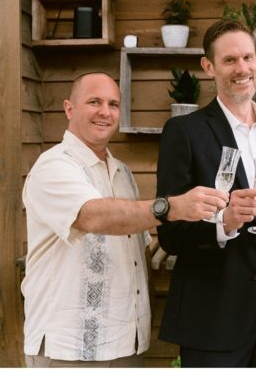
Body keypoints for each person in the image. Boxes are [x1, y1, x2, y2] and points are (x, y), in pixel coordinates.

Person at [21, 72, 228, 367]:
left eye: (113, 104)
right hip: (69, 347)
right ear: (69, 108)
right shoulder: (54, 165)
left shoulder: (122, 172)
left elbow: (139, 250)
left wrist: (145, 313)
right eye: (94, 102)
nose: (105, 112)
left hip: (124, 344)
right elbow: (91, 216)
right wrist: (171, 207)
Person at [156, 19, 256, 367]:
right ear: (209, 67)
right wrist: (224, 223)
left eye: (248, 58)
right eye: (230, 60)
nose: (243, 68)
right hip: (215, 310)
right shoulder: (184, 132)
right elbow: (170, 234)